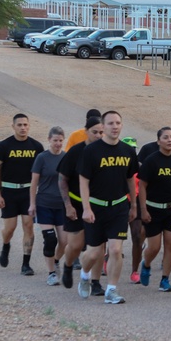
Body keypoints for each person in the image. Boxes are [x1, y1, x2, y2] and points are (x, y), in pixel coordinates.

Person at [77, 111, 138, 305]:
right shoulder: (91, 151)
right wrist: (86, 208)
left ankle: (111, 290)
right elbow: (83, 181)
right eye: (110, 123)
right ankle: (85, 275)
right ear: (103, 126)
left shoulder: (128, 151)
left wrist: (133, 205)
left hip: (119, 206)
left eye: (118, 123)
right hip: (96, 206)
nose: (115, 126)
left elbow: (130, 179)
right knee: (94, 253)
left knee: (115, 249)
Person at [0, 113, 44, 275]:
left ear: (29, 126)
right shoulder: (4, 146)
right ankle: (6, 246)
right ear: (13, 126)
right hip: (9, 191)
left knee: (28, 226)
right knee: (10, 228)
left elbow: (43, 170)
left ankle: (25, 264)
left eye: (25, 125)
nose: (23, 128)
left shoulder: (36, 146)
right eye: (19, 125)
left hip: (28, 192)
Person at [58, 116, 104, 292]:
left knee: (99, 245)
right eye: (95, 132)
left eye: (101, 132)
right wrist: (68, 206)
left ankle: (96, 282)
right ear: (86, 132)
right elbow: (62, 180)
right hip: (76, 204)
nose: (99, 136)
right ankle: (68, 265)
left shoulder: (107, 150)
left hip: (98, 204)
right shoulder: (76, 152)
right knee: (76, 245)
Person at [137, 126, 171, 292]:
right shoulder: (151, 160)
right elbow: (142, 186)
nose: (170, 140)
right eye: (166, 137)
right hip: (153, 209)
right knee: (154, 247)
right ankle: (146, 264)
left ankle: (165, 279)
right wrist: (143, 209)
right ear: (158, 141)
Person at [30, 127, 68, 286]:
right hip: (44, 203)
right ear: (49, 140)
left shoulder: (66, 157)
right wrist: (32, 204)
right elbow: (33, 183)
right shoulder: (42, 158)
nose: (58, 144)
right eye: (55, 141)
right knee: (50, 238)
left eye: (60, 140)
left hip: (61, 205)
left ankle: (56, 260)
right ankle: (51, 273)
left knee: (64, 240)